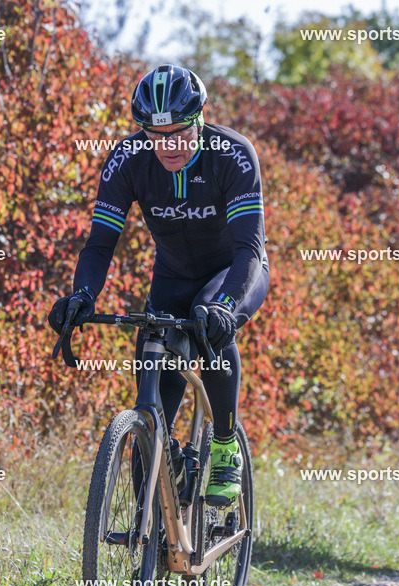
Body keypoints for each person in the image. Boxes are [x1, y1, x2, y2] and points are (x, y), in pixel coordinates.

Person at [48, 64, 269, 508]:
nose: (167, 145)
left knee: (209, 321)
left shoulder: (233, 154)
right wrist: (83, 295)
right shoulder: (128, 159)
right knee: (152, 416)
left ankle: (225, 443)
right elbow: (100, 243)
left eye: (179, 133)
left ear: (200, 120)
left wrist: (226, 305)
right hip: (171, 279)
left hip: (233, 272)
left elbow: (249, 247)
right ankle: (150, 521)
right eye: (155, 134)